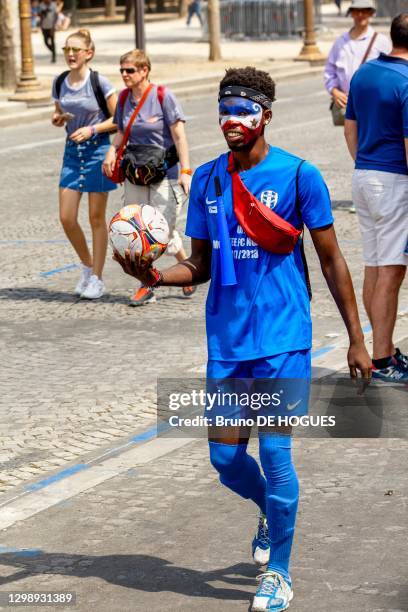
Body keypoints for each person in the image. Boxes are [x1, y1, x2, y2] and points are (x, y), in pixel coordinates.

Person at [114, 66, 372, 611]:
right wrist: (155, 277)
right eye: (225, 110)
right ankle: (268, 510)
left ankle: (279, 570)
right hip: (227, 343)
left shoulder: (301, 176)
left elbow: (331, 260)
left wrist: (357, 337)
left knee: (276, 453)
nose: (231, 121)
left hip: (284, 339)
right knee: (227, 463)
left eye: (243, 111)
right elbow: (200, 265)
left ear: (266, 116)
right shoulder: (207, 179)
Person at [103, 49, 196, 306]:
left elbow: (179, 136)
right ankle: (148, 284)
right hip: (135, 173)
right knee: (136, 231)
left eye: (129, 70)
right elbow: (122, 132)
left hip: (164, 174)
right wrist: (111, 152)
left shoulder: (163, 96)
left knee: (162, 232)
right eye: (122, 70)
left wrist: (186, 172)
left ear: (144, 70)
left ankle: (182, 272)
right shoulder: (123, 99)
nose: (124, 74)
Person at [344, 13, 408, 383]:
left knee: (374, 263)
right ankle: (383, 358)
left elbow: (350, 129)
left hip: (364, 175)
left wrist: (365, 163)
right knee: (392, 270)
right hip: (395, 180)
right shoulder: (406, 82)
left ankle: (378, 348)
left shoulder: (364, 73)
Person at [52, 28, 117, 299]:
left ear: (88, 54)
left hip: (97, 151)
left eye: (75, 50)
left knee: (95, 218)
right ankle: (87, 266)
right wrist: (58, 119)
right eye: (66, 49)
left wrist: (92, 130)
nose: (69, 54)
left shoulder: (99, 82)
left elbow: (119, 119)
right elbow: (58, 112)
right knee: (66, 217)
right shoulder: (59, 82)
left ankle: (98, 278)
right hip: (71, 152)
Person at [324, 0, 391, 122]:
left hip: (374, 105)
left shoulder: (381, 42)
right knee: (351, 138)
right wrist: (334, 91)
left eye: (365, 11)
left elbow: (390, 72)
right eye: (356, 11)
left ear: (371, 13)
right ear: (351, 13)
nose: (360, 14)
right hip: (348, 106)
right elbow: (329, 71)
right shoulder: (340, 42)